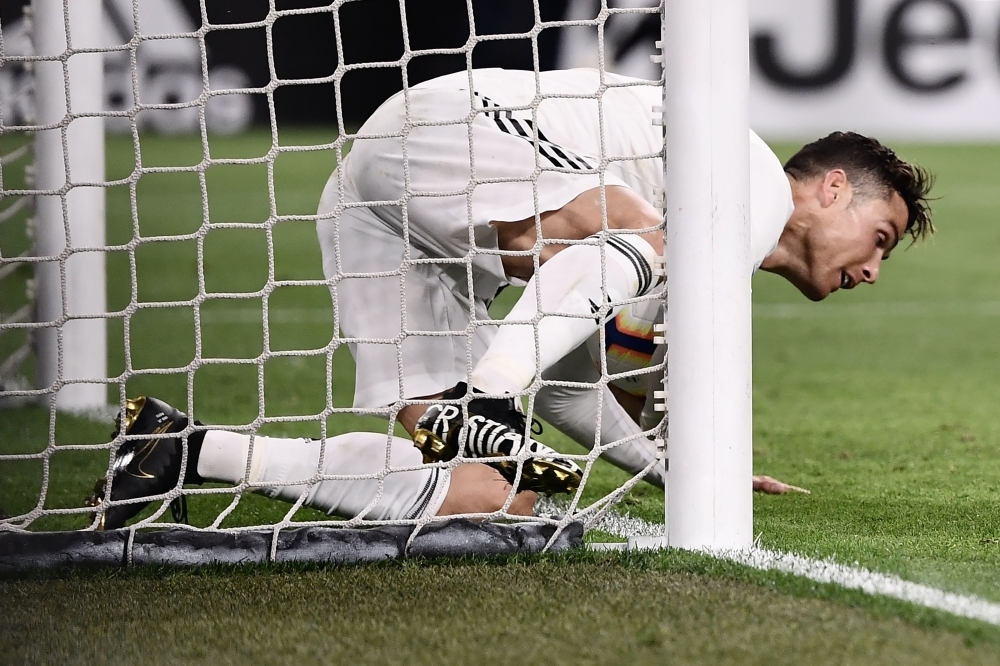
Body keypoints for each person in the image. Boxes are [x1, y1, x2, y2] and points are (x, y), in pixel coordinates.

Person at [85, 68, 933, 530]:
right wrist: (501, 391)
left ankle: (182, 450)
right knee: (642, 235)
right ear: (828, 189)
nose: (872, 272)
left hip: (380, 210)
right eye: (881, 239)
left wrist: (679, 470)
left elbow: (568, 386)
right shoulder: (745, 187)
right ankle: (482, 398)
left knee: (490, 493)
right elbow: (613, 258)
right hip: (452, 130)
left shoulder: (690, 252)